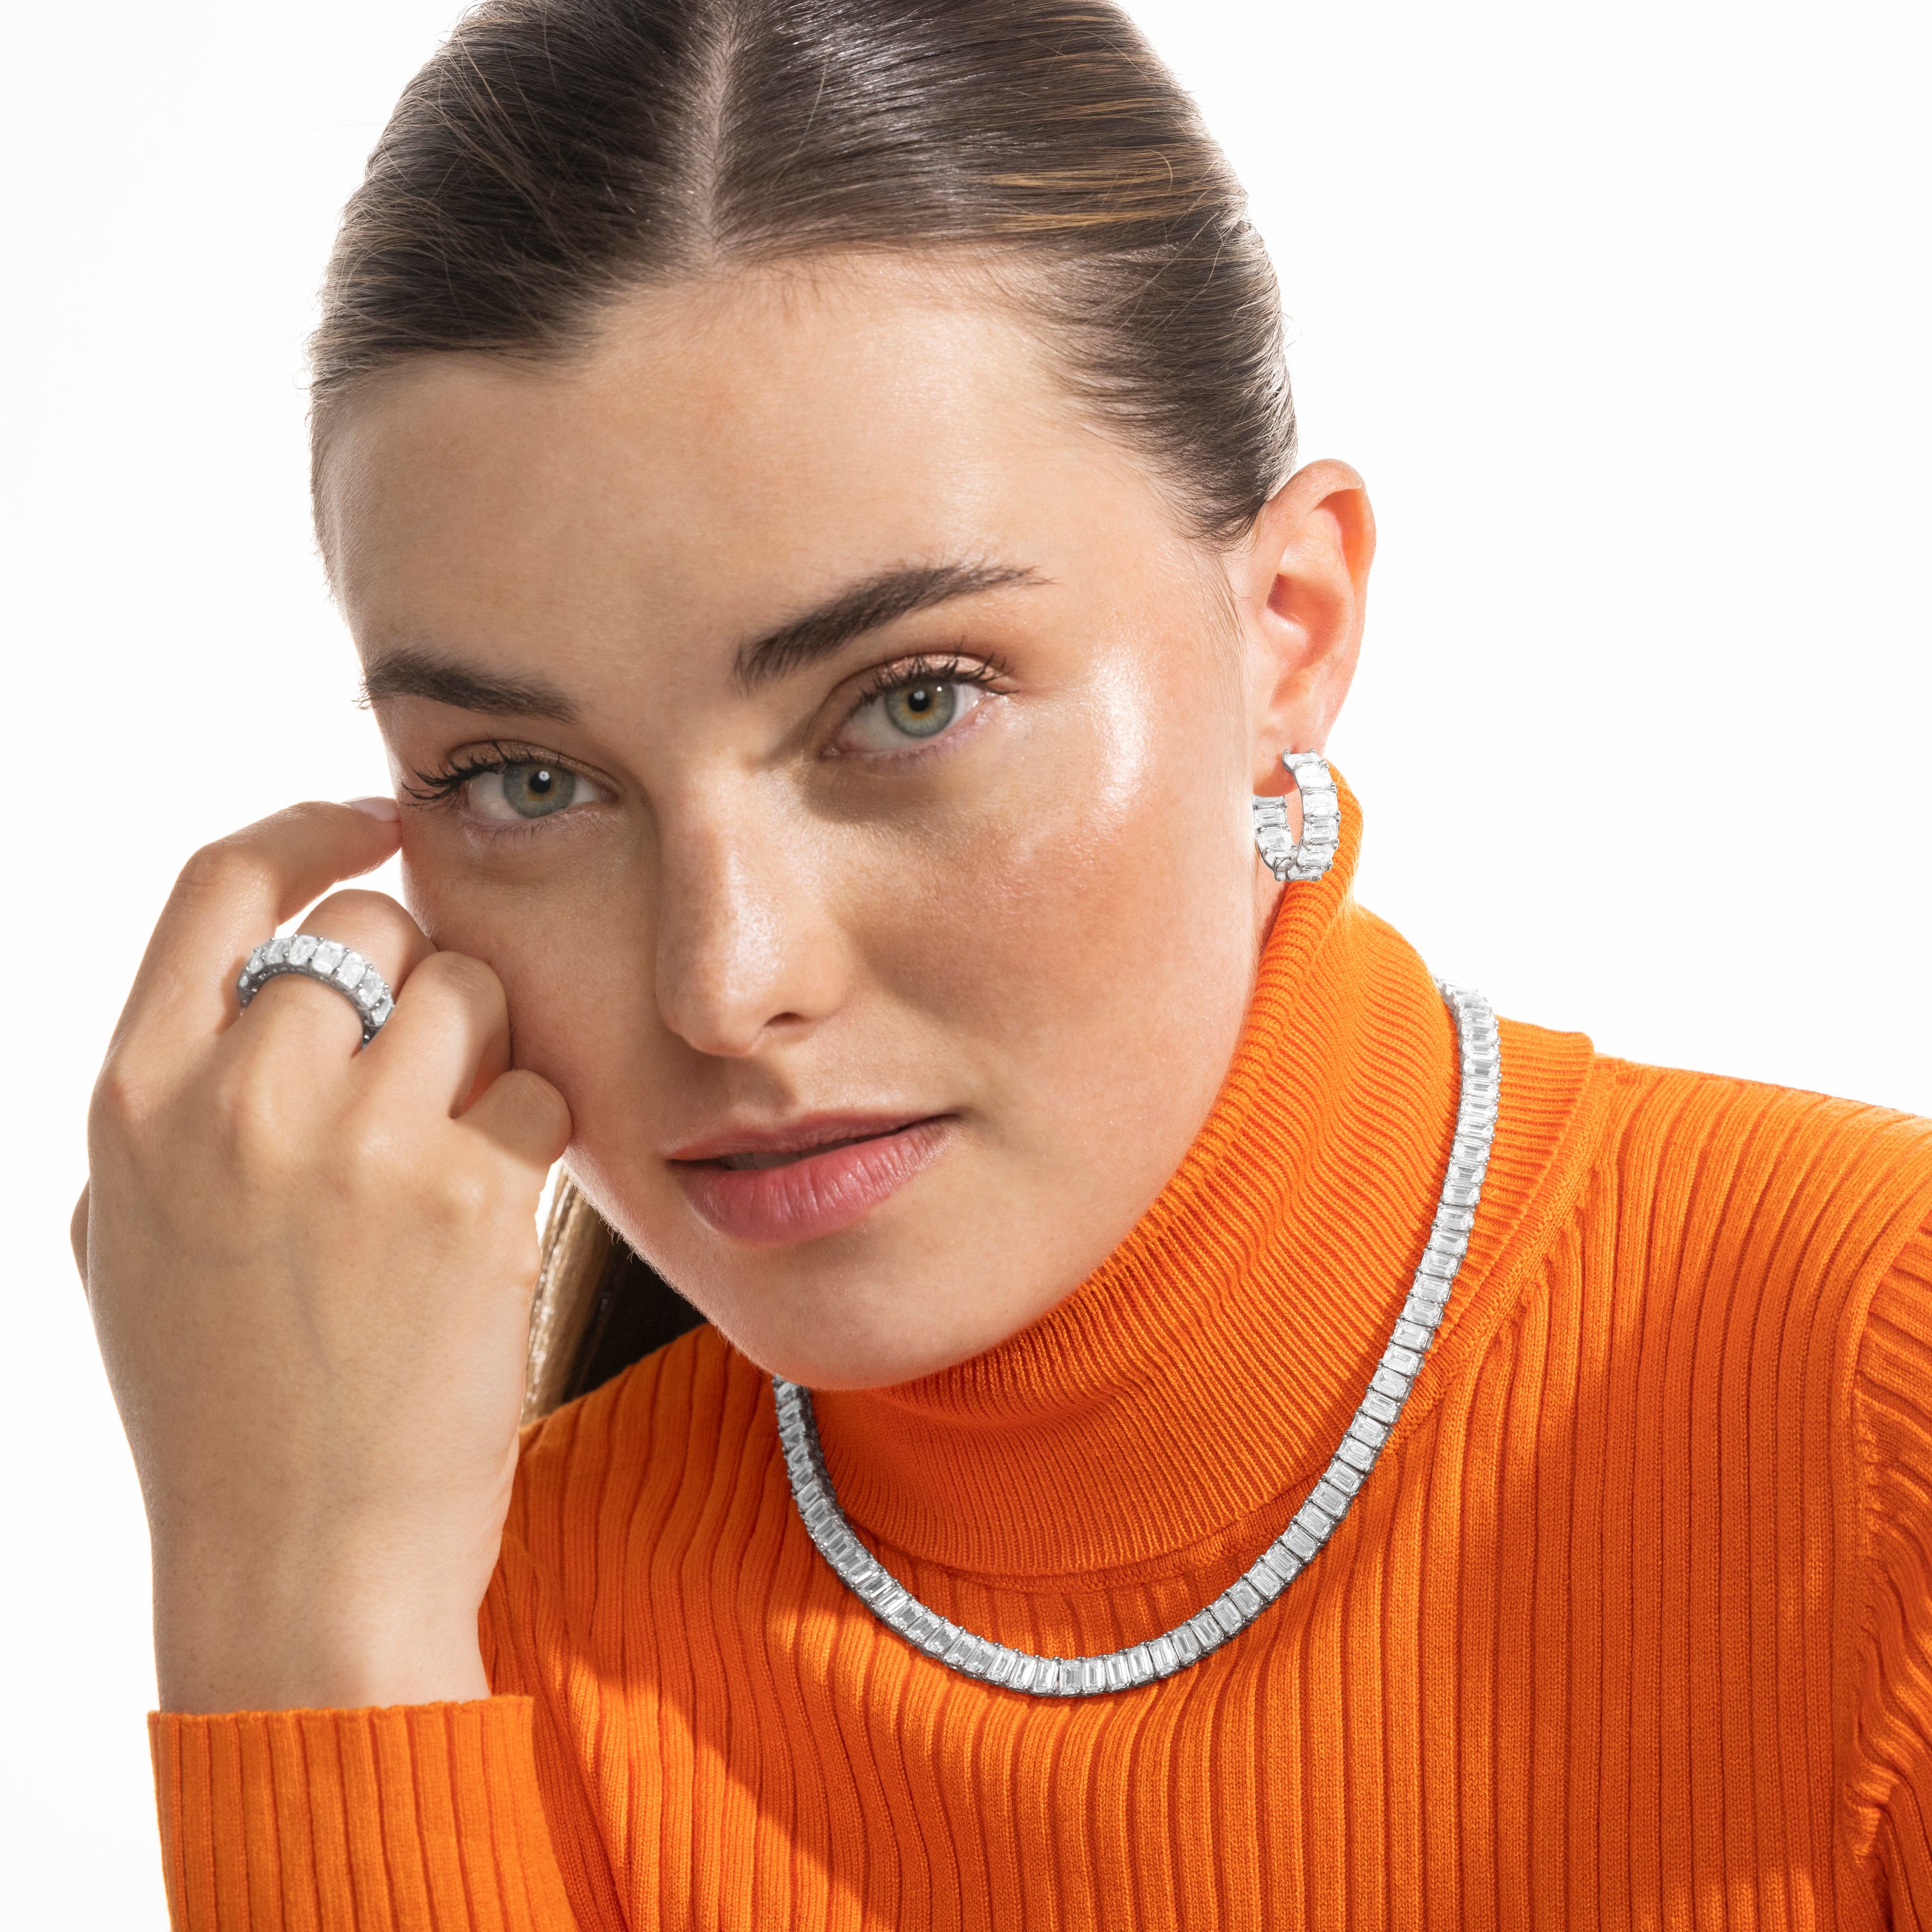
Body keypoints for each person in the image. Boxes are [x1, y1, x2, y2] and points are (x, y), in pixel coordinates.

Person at [74, 1, 1932, 1926]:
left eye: (914, 699)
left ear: (1289, 626)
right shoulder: (431, 1634)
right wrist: (296, 1615)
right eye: (525, 780)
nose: (726, 982)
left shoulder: (1877, 1402)